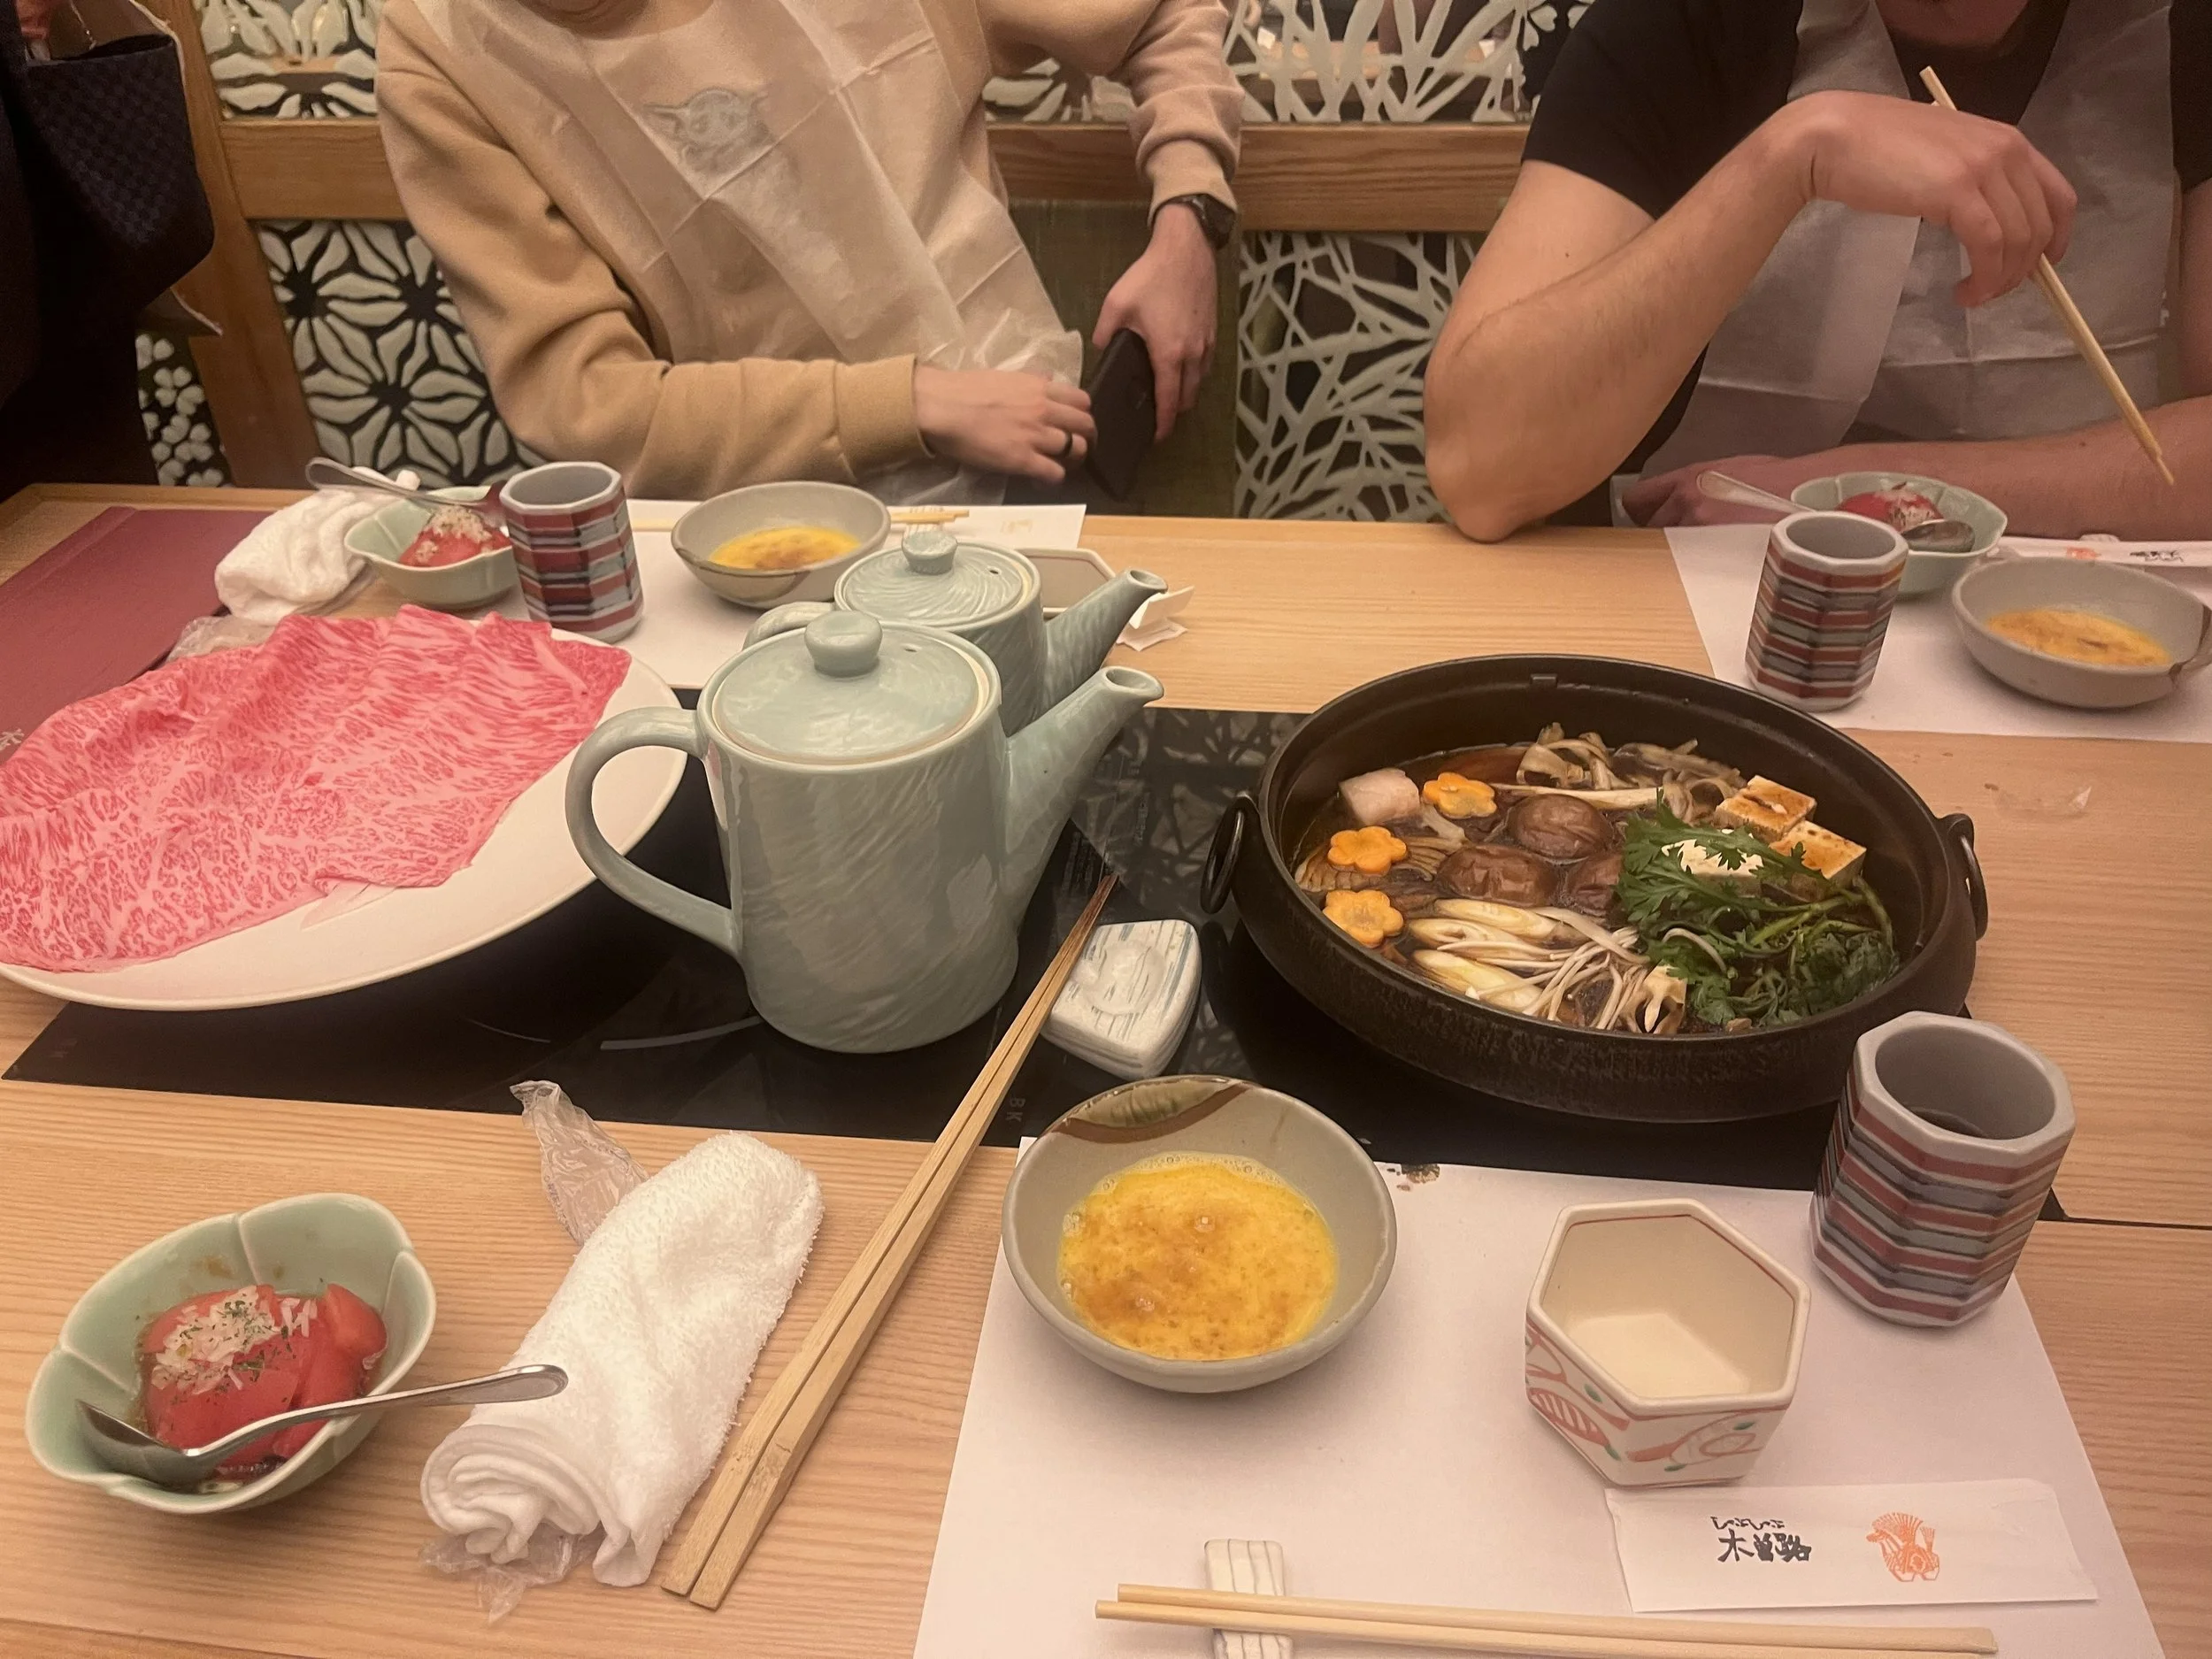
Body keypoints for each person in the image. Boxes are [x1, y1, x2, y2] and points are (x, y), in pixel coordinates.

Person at [376, 0, 1240, 503]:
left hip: (1030, 469)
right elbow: (588, 410)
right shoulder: (438, 48)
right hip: (749, 546)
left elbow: (1156, 19)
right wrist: (910, 403)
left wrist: (1190, 218)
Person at [1424, 0, 2211, 541]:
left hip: (2083, 615)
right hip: (1683, 617)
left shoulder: (2190, 29)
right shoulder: (1686, 24)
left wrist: (1853, 490)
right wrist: (1793, 151)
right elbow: (1482, 469)